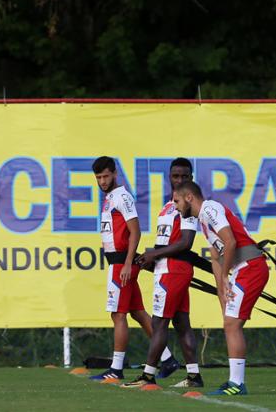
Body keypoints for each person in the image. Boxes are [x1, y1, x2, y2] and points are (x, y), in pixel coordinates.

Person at [173, 181, 269, 396]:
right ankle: (235, 382)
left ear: (189, 197)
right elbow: (216, 259)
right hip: (243, 269)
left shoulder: (209, 208)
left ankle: (237, 384)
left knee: (232, 324)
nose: (175, 206)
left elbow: (231, 242)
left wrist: (226, 275)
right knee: (230, 322)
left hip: (250, 267)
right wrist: (221, 292)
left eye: (177, 200)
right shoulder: (203, 221)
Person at [89, 156, 177, 382]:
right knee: (137, 312)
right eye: (98, 178)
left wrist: (128, 263)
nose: (102, 181)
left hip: (122, 265)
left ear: (115, 173)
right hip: (119, 263)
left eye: (106, 176)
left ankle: (116, 369)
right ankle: (168, 360)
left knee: (117, 314)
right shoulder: (110, 197)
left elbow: (135, 231)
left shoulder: (122, 197)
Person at [122, 158, 204, 388]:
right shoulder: (168, 207)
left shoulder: (187, 207)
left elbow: (186, 242)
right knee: (181, 323)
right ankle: (194, 376)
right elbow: (167, 242)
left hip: (174, 271)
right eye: (175, 176)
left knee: (159, 323)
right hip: (167, 269)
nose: (179, 180)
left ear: (191, 179)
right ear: (169, 177)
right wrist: (150, 258)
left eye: (184, 177)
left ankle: (148, 375)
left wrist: (155, 255)